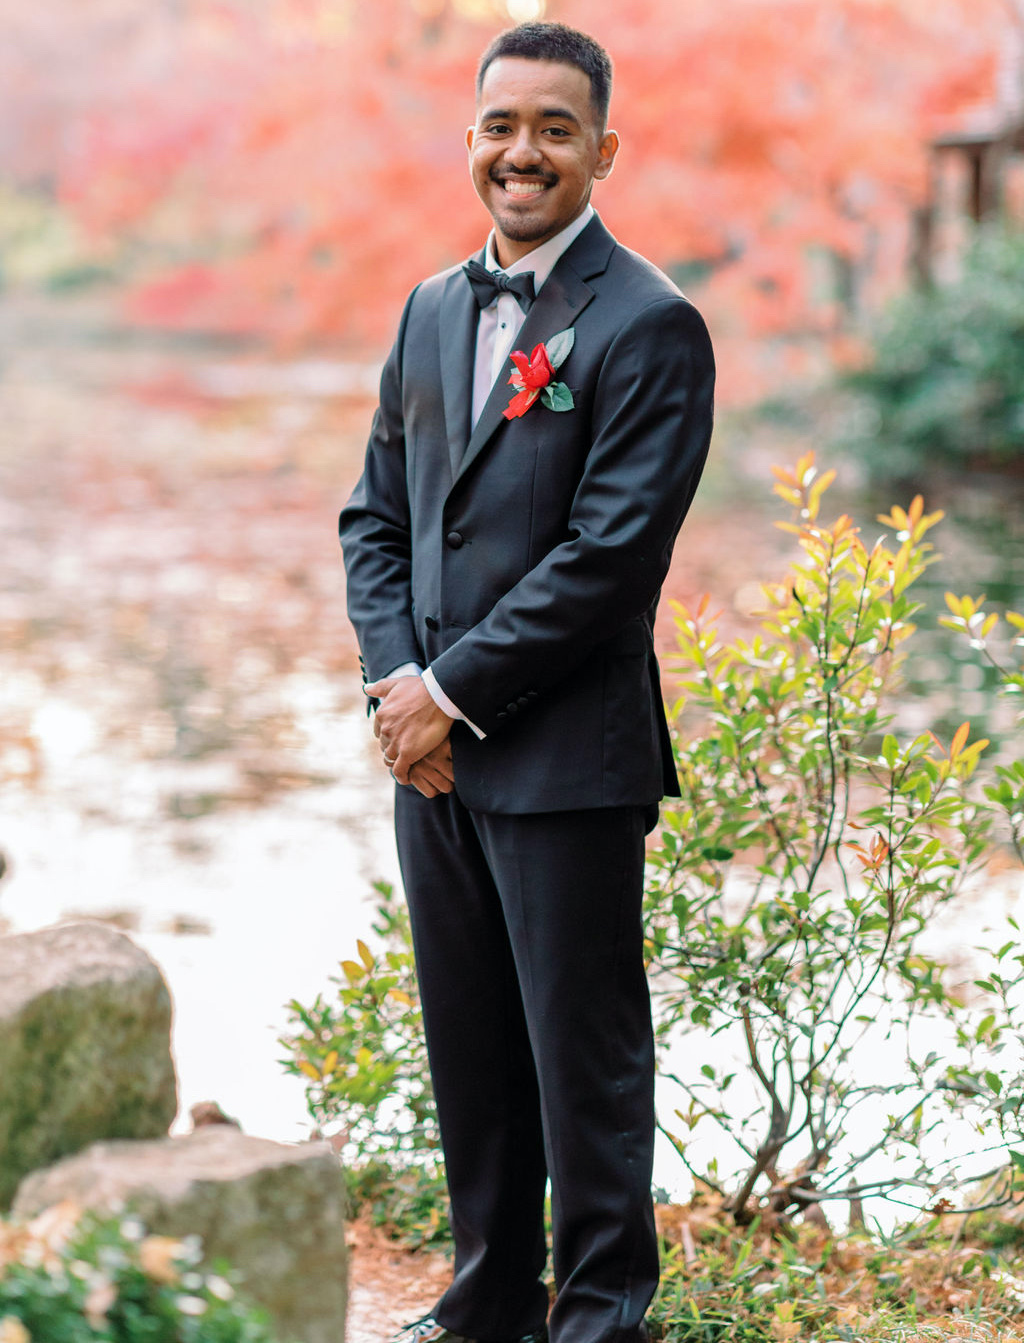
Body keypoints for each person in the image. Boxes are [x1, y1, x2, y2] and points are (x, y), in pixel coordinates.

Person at [339, 21, 714, 1343]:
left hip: (567, 759)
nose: (525, 152)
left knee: (583, 1065)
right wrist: (400, 691)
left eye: (557, 128)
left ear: (603, 150)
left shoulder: (653, 326)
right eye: (503, 125)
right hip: (429, 757)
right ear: (471, 141)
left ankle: (603, 1317)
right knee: (473, 1053)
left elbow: (609, 562)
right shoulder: (431, 307)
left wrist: (451, 689)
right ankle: (487, 1303)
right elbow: (375, 522)